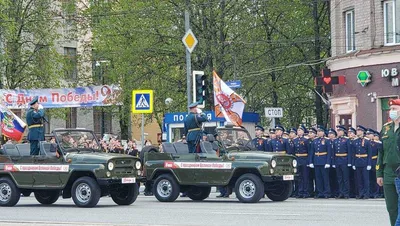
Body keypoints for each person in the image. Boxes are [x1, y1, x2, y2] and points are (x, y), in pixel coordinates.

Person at [377, 99, 400, 226]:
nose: (391, 112)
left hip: (399, 171)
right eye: (390, 109)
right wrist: (379, 173)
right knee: (391, 207)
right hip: (388, 172)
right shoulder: (385, 129)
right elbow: (381, 152)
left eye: (394, 109)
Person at [309, 125, 331, 199]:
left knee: (325, 178)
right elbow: (312, 152)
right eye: (318, 131)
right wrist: (311, 162)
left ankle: (326, 193)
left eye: (320, 131)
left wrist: (328, 162)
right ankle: (319, 192)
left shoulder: (327, 141)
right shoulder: (315, 141)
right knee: (318, 178)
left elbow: (329, 152)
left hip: (324, 161)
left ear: (324, 132)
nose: (319, 133)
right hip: (316, 161)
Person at [332, 125, 352, 199]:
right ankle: (341, 192)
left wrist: (349, 162)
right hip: (337, 161)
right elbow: (333, 152)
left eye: (340, 131)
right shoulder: (335, 140)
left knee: (345, 178)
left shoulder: (347, 140)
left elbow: (349, 152)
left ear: (343, 132)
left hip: (344, 160)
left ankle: (346, 193)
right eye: (338, 131)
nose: (339, 132)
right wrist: (334, 162)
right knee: (339, 178)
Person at [352, 125, 372, 199]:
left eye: (359, 130)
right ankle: (361, 193)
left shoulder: (367, 141)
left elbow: (369, 154)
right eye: (357, 131)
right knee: (359, 179)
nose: (358, 132)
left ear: (363, 132)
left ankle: (366, 194)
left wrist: (369, 163)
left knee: (365, 179)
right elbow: (353, 154)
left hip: (365, 162)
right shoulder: (355, 141)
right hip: (357, 161)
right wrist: (353, 163)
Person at [293, 125, 310, 198]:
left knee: (305, 177)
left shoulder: (306, 140)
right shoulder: (295, 140)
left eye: (300, 130)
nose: (298, 132)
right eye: (298, 130)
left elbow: (309, 151)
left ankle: (305, 192)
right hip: (297, 159)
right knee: (299, 177)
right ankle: (300, 192)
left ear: (303, 132)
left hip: (304, 159)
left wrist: (309, 161)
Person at [366, 129, 381, 198]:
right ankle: (370, 192)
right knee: (369, 179)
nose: (368, 136)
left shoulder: (377, 144)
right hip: (367, 162)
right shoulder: (365, 142)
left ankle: (376, 193)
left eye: (369, 134)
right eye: (367, 134)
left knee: (375, 178)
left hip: (375, 161)